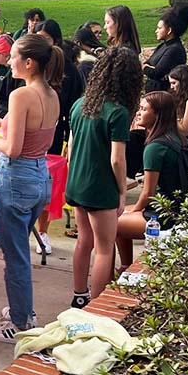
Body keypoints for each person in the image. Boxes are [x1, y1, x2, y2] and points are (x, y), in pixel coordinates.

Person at [0, 34, 63, 343]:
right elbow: (34, 134)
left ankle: (21, 321)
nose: (8, 61)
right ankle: (21, 309)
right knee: (19, 249)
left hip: (17, 178)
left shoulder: (21, 96)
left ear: (29, 62)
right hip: (38, 178)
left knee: (16, 256)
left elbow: (12, 149)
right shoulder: (50, 94)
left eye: (12, 57)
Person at [66, 47, 143, 308]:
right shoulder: (118, 112)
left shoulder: (81, 105)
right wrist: (122, 191)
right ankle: (97, 308)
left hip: (76, 184)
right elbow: (117, 159)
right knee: (104, 249)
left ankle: (79, 295)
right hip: (100, 189)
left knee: (83, 241)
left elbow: (72, 148)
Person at [32, 20, 85, 254]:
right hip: (28, 134)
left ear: (54, 41)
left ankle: (42, 231)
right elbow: (6, 100)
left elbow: (75, 108)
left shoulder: (68, 71)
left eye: (45, 38)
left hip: (54, 135)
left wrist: (71, 141)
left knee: (47, 184)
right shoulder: (27, 65)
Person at [114, 91, 182, 272]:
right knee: (116, 212)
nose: (138, 113)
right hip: (174, 208)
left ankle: (125, 268)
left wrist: (133, 211)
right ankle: (125, 267)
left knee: (113, 222)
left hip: (163, 216)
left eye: (144, 109)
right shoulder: (173, 138)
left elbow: (148, 194)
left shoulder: (155, 147)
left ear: (158, 114)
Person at [143, 2, 188, 92]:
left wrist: (143, 67)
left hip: (163, 94)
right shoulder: (164, 45)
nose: (156, 31)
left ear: (169, 30)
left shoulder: (174, 49)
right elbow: (149, 63)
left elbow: (157, 73)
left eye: (159, 28)